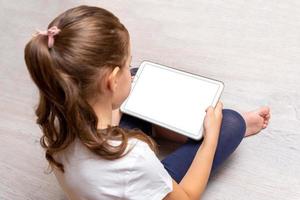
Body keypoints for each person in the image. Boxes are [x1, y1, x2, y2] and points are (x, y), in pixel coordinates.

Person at [24, 5, 271, 200]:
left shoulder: (55, 117)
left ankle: (176, 127)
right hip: (130, 176)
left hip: (105, 177)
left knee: (137, 76)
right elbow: (186, 197)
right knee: (231, 122)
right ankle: (204, 131)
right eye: (123, 64)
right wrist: (212, 137)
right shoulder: (135, 157)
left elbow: (109, 108)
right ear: (110, 82)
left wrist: (123, 87)